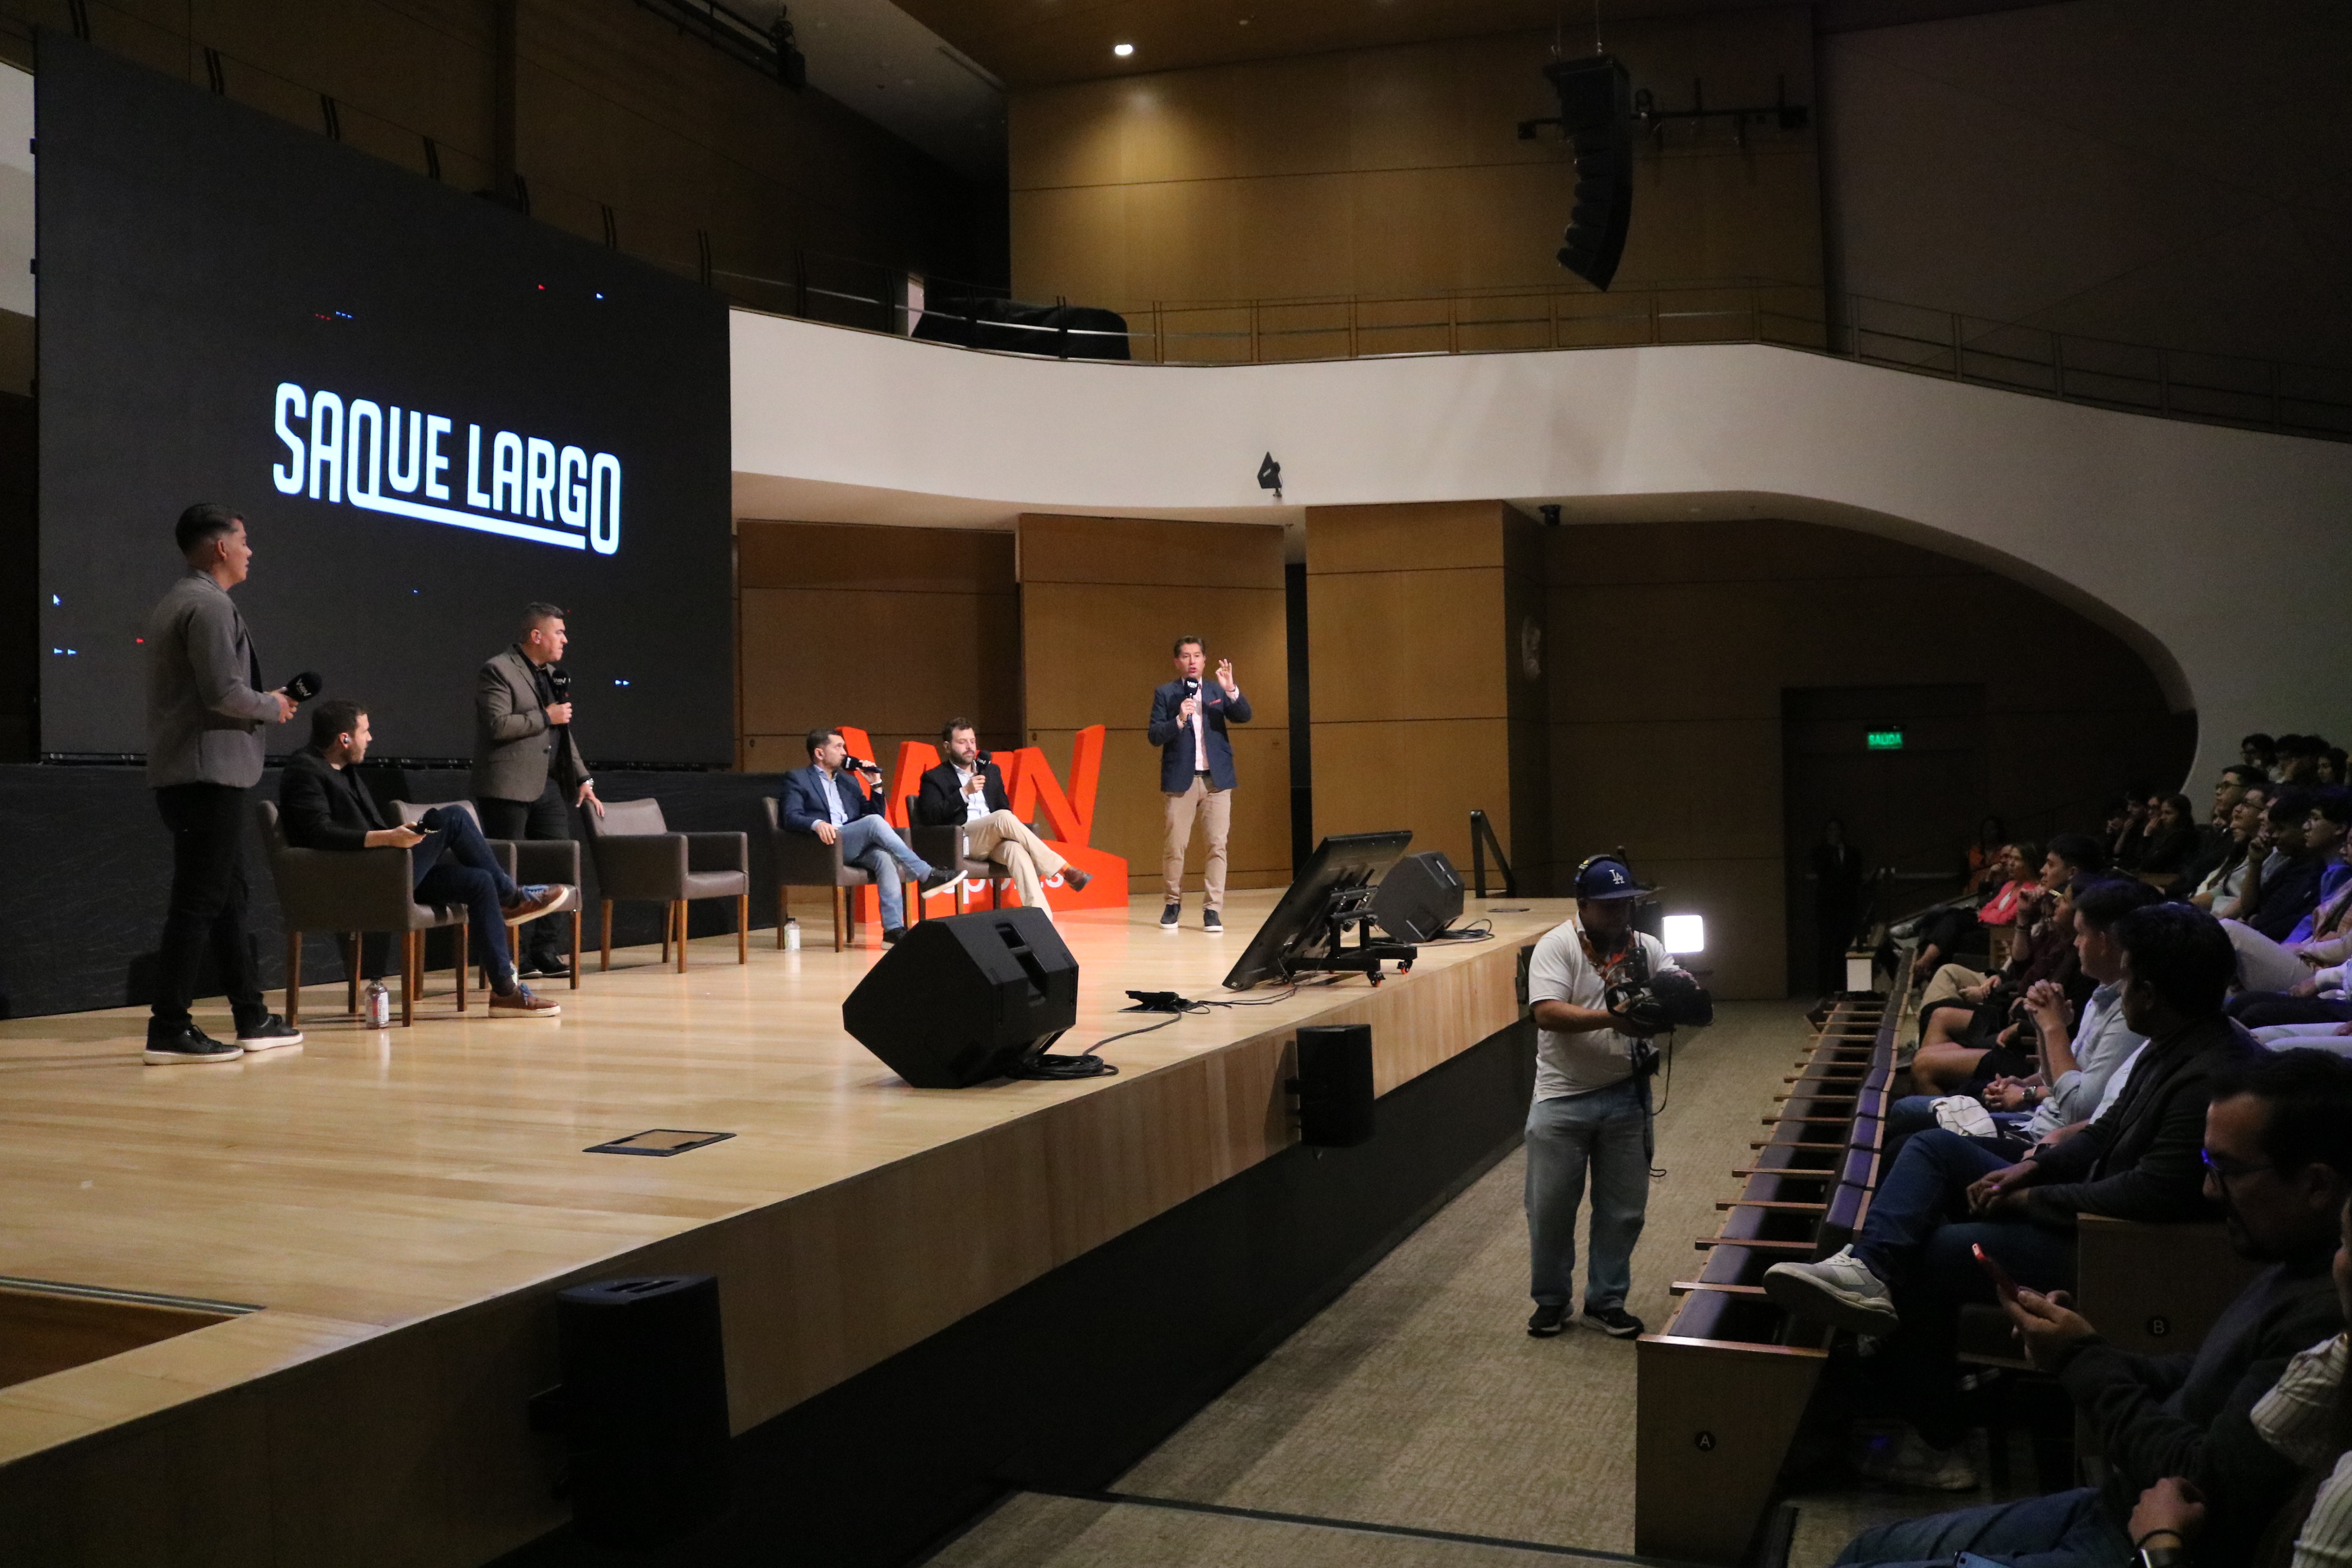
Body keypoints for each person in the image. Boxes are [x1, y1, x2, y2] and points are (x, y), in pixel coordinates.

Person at [1768, 901, 2258, 1490]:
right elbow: (2103, 1131)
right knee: (1931, 1149)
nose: (2120, 990)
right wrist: (2030, 1172)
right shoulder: (2177, 1038)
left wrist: (2031, 1201)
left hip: (2121, 1249)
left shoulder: (2208, 1074)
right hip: (2089, 1204)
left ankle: (1936, 1442)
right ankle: (1871, 1273)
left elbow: (2151, 1193)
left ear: (2150, 992)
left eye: (2127, 978)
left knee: (1934, 1254)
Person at [1832, 1048, 2352, 1568]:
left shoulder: (2325, 1316)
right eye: (2207, 1164)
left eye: (2228, 1170)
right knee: (1863, 1549)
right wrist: (2091, 1347)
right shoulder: (2294, 1259)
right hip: (2118, 1506)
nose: (2208, 1190)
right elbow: (2209, 1375)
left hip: (2151, 1547)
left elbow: (2194, 1481)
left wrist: (2079, 1359)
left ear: (2315, 1186)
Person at [142, 504, 305, 1064]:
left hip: (201, 772)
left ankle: (251, 1016)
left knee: (228, 897)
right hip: (204, 773)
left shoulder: (181, 600)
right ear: (220, 548)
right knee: (199, 901)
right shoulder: (208, 607)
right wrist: (273, 705)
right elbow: (222, 693)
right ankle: (169, 1026)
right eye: (244, 540)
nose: (250, 550)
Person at [280, 700, 570, 1014]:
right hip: (356, 878)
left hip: (381, 868)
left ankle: (504, 991)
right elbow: (318, 834)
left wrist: (398, 833)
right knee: (455, 817)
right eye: (365, 731)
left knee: (479, 881)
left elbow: (357, 828)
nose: (370, 738)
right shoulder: (304, 770)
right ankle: (513, 898)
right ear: (344, 739)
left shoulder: (345, 769)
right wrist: (388, 837)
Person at [2126, 1193, 2352, 1568]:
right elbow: (2266, 1426)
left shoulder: (2346, 1495)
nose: (2335, 1264)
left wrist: (2158, 1547)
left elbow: (2206, 1482)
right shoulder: (2331, 1354)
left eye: (2345, 1243)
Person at [1523, 855, 1692, 1341]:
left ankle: (1606, 1301)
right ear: (1583, 903)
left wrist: (1682, 997)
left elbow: (1677, 986)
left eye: (1627, 904)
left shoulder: (1647, 947)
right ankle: (1551, 1302)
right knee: (1551, 1210)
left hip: (1627, 1096)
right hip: (1562, 1099)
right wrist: (1616, 1020)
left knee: (1623, 1211)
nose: (1620, 914)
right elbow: (1548, 1013)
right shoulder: (1557, 946)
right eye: (1609, 906)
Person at [473, 603, 604, 981]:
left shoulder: (552, 676)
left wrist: (582, 778)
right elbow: (497, 725)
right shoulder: (497, 669)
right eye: (559, 632)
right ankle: (503, 960)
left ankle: (543, 951)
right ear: (537, 636)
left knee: (557, 865)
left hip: (547, 787)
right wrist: (546, 716)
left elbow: (563, 733)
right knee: (505, 876)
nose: (565, 639)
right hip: (506, 787)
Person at [779, 728, 952, 943]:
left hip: (852, 843)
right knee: (874, 825)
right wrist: (817, 823)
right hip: (823, 845)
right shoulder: (798, 778)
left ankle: (892, 930)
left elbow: (875, 819)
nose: (845, 752)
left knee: (883, 858)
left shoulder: (848, 782)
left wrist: (876, 785)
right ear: (820, 753)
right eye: (838, 747)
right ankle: (926, 874)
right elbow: (790, 816)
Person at [911, 718, 1092, 914]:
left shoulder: (991, 771)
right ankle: (1064, 869)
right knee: (1003, 818)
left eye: (972, 741)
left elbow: (1003, 807)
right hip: (961, 840)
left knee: (1016, 851)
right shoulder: (934, 777)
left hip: (992, 840)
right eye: (962, 742)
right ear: (947, 747)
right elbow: (930, 817)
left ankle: (1041, 919)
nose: (969, 747)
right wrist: (964, 793)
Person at [1147, 635, 1250, 934]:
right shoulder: (1166, 693)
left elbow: (1244, 716)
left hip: (1216, 780)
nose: (1192, 661)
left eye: (1197, 656)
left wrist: (1231, 688)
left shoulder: (1219, 690)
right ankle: (1172, 903)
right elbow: (1154, 735)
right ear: (1177, 662)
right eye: (1186, 656)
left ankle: (1212, 910)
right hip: (1181, 780)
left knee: (1218, 845)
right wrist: (1179, 719)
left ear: (1205, 660)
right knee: (1175, 846)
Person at [1812, 818, 1868, 993]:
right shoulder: (1819, 851)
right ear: (1826, 833)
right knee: (1826, 948)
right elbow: (1819, 871)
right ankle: (1822, 991)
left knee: (1843, 948)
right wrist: (1831, 848)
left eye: (1837, 830)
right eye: (1830, 830)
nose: (1834, 833)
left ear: (1843, 832)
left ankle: (1841, 988)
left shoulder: (1853, 853)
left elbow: (1856, 879)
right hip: (1827, 908)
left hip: (1847, 908)